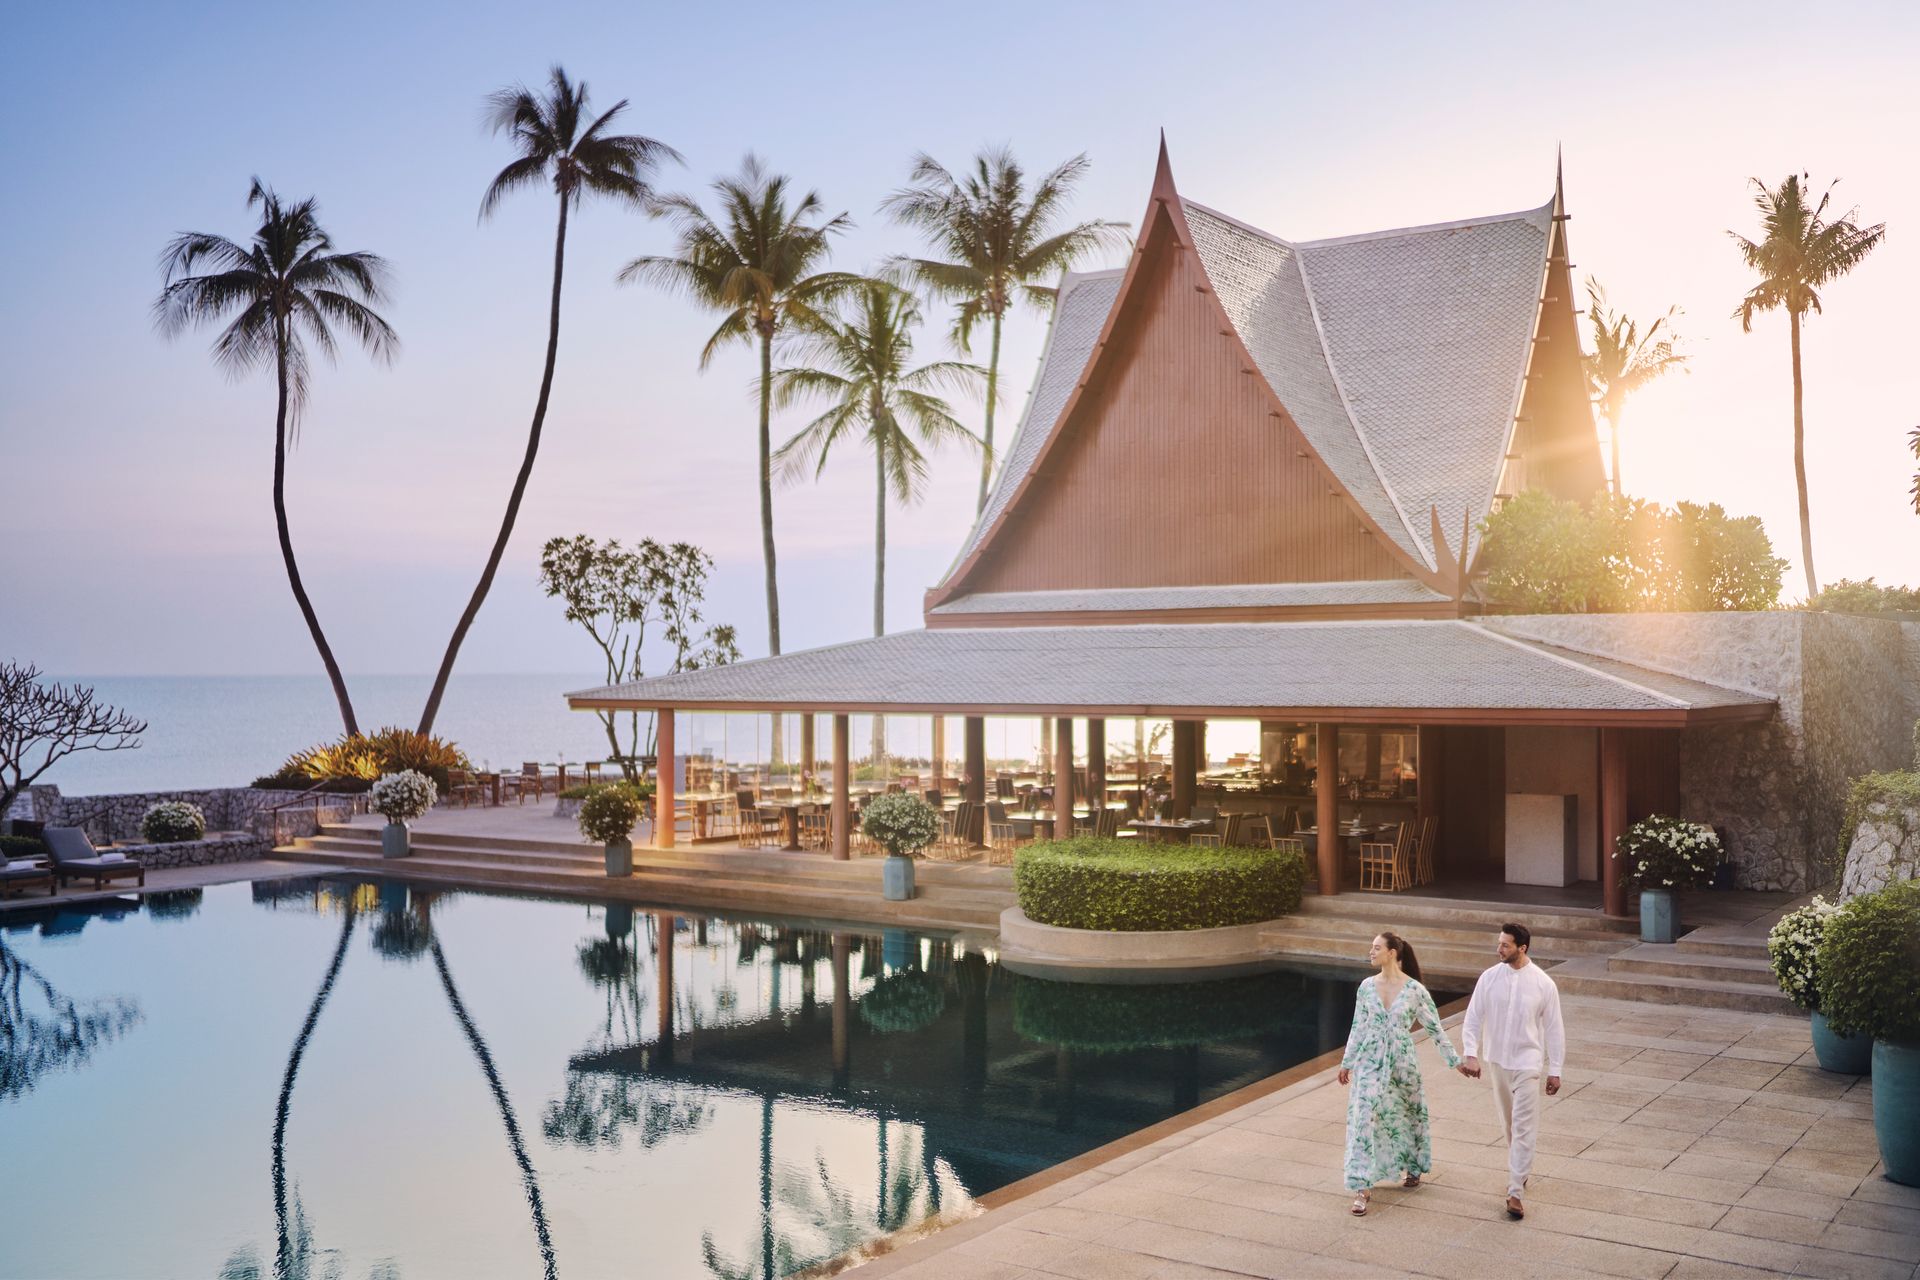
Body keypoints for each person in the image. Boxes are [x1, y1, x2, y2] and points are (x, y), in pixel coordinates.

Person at [1338, 930, 1460, 1216]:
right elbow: (1358, 1027)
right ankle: (1361, 1186)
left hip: (1402, 1062)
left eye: (1376, 947)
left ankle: (1413, 1166)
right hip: (1370, 1061)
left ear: (1392, 952)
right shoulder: (1366, 986)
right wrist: (1347, 1062)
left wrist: (1455, 1061)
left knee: (1406, 1114)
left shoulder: (1416, 990)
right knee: (1363, 1119)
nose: (1371, 951)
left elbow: (1435, 1029)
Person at [1458, 921, 1566, 1220]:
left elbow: (1555, 1030)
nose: (1499, 949)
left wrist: (1555, 1069)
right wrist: (1471, 1054)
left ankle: (1515, 1191)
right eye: (1499, 943)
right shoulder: (1489, 978)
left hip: (1528, 1064)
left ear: (1522, 948)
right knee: (1509, 1126)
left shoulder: (1544, 983)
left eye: (1505, 945)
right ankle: (1521, 1168)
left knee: (1523, 1126)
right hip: (1498, 1063)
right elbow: (1473, 1018)